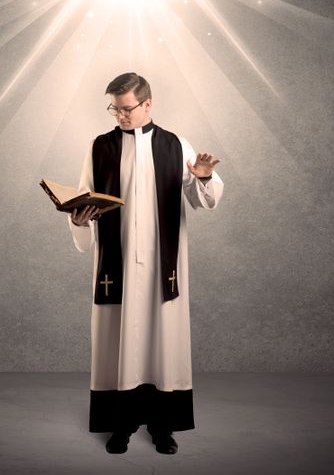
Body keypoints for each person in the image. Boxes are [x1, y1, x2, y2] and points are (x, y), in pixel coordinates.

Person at [69, 72, 224, 455]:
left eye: (126, 108)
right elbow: (84, 196)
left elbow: (202, 196)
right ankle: (119, 426)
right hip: (117, 263)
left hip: (161, 264)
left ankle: (162, 426)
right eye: (114, 109)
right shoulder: (100, 147)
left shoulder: (175, 145)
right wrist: (78, 218)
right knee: (117, 340)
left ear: (148, 104)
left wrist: (202, 178)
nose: (119, 116)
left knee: (161, 344)